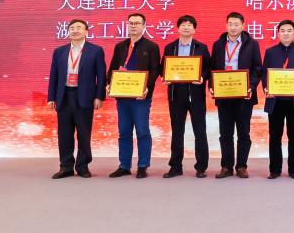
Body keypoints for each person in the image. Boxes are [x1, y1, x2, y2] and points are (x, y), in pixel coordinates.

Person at [47, 19, 105, 179]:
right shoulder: (59, 51)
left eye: (79, 27)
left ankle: (82, 166)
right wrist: (51, 97)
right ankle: (65, 166)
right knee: (64, 134)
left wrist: (99, 96)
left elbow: (101, 76)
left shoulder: (96, 50)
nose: (75, 30)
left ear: (86, 31)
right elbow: (53, 75)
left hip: (85, 96)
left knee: (84, 133)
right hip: (64, 96)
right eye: (72, 28)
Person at [106, 13, 161, 178]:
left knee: (142, 130)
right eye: (131, 23)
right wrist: (109, 84)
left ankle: (143, 165)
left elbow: (155, 70)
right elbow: (113, 67)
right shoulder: (120, 46)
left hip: (140, 97)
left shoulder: (151, 47)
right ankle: (124, 165)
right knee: (124, 131)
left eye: (137, 23)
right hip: (122, 95)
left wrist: (147, 88)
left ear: (144, 26)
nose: (133, 26)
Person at [209, 12, 262, 178]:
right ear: (226, 25)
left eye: (236, 24)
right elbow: (212, 68)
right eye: (230, 24)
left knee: (243, 133)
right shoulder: (218, 44)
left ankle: (241, 166)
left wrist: (251, 87)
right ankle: (226, 166)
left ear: (243, 26)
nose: (233, 27)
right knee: (225, 133)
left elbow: (257, 68)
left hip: (244, 96)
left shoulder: (252, 44)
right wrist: (212, 86)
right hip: (224, 95)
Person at [162, 15, 211, 178]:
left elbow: (208, 68)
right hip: (176, 94)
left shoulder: (201, 47)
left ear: (194, 29)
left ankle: (201, 167)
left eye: (190, 25)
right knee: (177, 131)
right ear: (178, 28)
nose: (186, 27)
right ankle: (175, 166)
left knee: (200, 131)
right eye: (183, 25)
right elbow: (163, 67)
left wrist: (202, 77)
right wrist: (165, 77)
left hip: (195, 94)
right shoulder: (170, 47)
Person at [263, 20, 294, 179]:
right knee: (274, 137)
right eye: (282, 30)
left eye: (289, 30)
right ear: (278, 33)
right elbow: (264, 73)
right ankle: (274, 170)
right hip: (275, 101)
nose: (286, 33)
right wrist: (266, 87)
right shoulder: (270, 52)